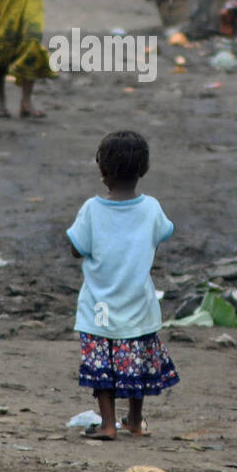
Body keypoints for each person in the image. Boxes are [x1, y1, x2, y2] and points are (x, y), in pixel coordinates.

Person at [68, 130, 179, 440]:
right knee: (136, 363)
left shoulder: (92, 209)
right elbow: (161, 235)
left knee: (101, 366)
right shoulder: (152, 208)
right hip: (138, 303)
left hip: (99, 306)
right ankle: (135, 420)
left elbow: (77, 247)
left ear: (102, 172)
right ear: (143, 171)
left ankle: (107, 424)